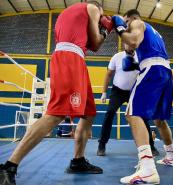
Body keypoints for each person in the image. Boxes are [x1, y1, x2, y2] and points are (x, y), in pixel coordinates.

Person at [0, 1, 113, 185]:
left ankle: (77, 161)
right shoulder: (92, 8)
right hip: (70, 59)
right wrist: (106, 29)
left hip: (73, 58)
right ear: (98, 8)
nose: (101, 19)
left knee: (88, 113)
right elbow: (96, 44)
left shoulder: (70, 13)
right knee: (56, 114)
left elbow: (88, 43)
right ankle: (9, 166)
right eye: (101, 15)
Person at [111, 10, 173, 184]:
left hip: (151, 69)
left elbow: (133, 41)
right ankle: (172, 155)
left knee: (132, 113)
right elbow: (131, 47)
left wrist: (120, 28)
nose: (126, 26)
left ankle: (148, 169)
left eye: (126, 22)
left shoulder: (136, 23)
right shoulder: (155, 32)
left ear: (132, 18)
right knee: (159, 119)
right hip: (166, 72)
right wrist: (127, 50)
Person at [97, 50, 159, 156]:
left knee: (142, 117)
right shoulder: (117, 57)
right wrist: (104, 92)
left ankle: (151, 146)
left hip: (135, 91)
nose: (129, 45)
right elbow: (108, 75)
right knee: (110, 112)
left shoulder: (141, 57)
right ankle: (102, 145)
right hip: (118, 92)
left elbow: (148, 74)